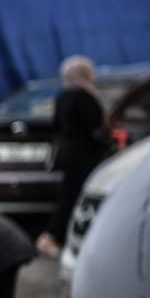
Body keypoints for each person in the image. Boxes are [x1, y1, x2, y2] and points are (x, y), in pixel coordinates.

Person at [38, 55, 111, 257]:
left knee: (69, 195)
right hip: (83, 155)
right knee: (78, 197)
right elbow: (94, 128)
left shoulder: (63, 96)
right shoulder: (85, 97)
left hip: (67, 154)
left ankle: (57, 236)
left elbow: (56, 126)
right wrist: (108, 144)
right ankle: (53, 236)